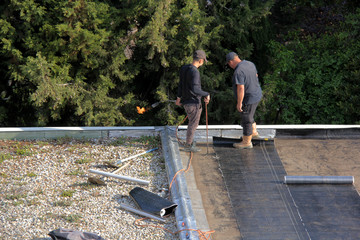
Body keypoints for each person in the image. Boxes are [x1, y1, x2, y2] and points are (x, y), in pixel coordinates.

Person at [176, 50, 210, 152]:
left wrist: (178, 98)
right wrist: (206, 94)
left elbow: (181, 85)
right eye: (203, 61)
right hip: (193, 103)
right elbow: (195, 90)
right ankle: (188, 145)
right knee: (193, 124)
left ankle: (189, 143)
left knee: (192, 123)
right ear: (200, 60)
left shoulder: (184, 68)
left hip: (186, 102)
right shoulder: (195, 72)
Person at [226, 52, 262, 149]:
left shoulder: (238, 71)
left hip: (249, 97)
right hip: (257, 94)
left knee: (246, 118)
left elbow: (241, 88)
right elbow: (256, 75)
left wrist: (239, 103)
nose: (230, 66)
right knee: (250, 114)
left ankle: (246, 142)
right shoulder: (250, 64)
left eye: (229, 64)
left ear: (231, 62)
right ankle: (253, 132)